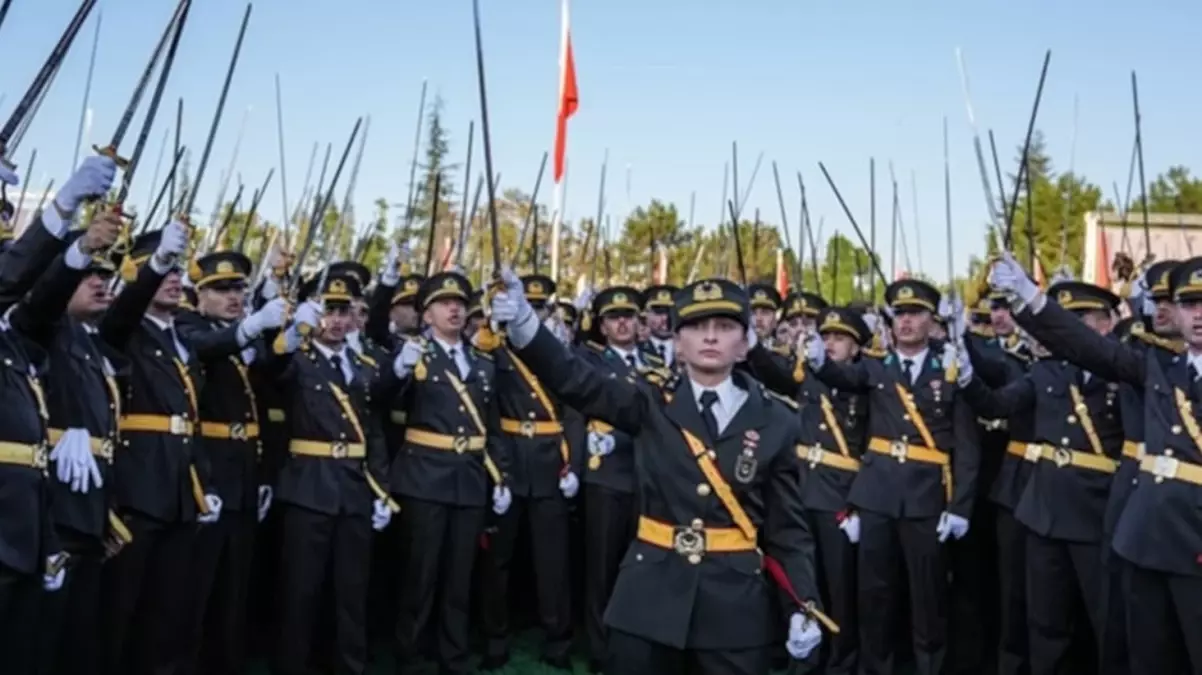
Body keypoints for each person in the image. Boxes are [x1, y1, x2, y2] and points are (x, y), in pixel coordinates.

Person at [491, 270, 825, 675]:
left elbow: (788, 529)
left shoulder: (777, 420)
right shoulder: (649, 401)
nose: (710, 337)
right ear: (678, 343)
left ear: (744, 345)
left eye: (724, 326)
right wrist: (526, 324)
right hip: (649, 597)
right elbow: (577, 380)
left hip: (735, 606)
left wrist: (803, 603)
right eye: (696, 327)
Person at [986, 250, 1200, 674]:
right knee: (1148, 658)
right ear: (1173, 310)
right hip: (1148, 540)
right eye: (1191, 304)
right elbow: (1085, 345)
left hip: (1195, 540)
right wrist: (1030, 296)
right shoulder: (1160, 367)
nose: (1199, 315)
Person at [802, 278, 980, 675]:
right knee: (874, 597)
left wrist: (960, 505)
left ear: (931, 319)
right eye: (899, 314)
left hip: (925, 499)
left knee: (928, 599)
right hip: (877, 497)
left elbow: (967, 446)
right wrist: (820, 361)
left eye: (915, 313)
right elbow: (843, 379)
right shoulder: (875, 366)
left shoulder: (949, 367)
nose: (906, 321)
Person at [960, 279, 1127, 674]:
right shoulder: (1048, 371)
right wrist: (967, 379)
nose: (1068, 328)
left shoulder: (1125, 370)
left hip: (1097, 511)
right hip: (1044, 511)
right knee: (1045, 622)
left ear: (1106, 323)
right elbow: (1001, 403)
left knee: (1107, 622)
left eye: (1080, 318)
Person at [99, 219, 224, 675]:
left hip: (177, 488)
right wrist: (156, 264)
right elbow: (122, 312)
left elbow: (189, 421)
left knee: (168, 609)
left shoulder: (181, 341)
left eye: (177, 271)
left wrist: (203, 483)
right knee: (121, 608)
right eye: (164, 271)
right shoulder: (124, 328)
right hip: (137, 486)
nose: (176, 279)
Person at [263, 267, 394, 675]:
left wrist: (382, 489)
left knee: (351, 592)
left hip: (353, 488)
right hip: (309, 486)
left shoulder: (362, 364)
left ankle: (348, 666)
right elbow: (271, 368)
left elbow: (372, 432)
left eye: (343, 311)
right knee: (301, 591)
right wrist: (289, 332)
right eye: (327, 310)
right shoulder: (296, 360)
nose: (336, 320)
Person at [388, 270, 512, 675]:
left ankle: (452, 656)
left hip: (469, 479)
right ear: (426, 314)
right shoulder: (413, 354)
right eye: (444, 303)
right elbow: (379, 400)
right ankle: (411, 655)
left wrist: (502, 477)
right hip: (424, 477)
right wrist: (399, 371)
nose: (455, 309)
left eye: (459, 303)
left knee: (460, 578)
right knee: (419, 576)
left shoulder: (482, 362)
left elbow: (492, 426)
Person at [746, 305, 872, 675]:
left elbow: (874, 447)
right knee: (799, 582)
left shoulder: (866, 384)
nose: (830, 344)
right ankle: (801, 659)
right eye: (827, 336)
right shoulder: (807, 375)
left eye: (840, 339)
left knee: (839, 588)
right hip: (800, 489)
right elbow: (772, 373)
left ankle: (841, 660)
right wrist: (753, 345)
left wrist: (859, 504)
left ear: (856, 348)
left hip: (839, 497)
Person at [176, 251, 286, 675]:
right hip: (208, 473)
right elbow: (206, 348)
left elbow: (268, 396)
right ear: (199, 296)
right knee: (195, 586)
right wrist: (252, 326)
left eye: (239, 288)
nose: (234, 296)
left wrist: (283, 340)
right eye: (221, 289)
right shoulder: (190, 326)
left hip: (244, 472)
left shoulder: (246, 337)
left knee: (234, 587)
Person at [480, 273, 577, 670]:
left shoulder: (558, 354)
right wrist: (497, 471)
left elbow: (574, 408)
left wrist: (571, 462)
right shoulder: (494, 351)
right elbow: (485, 412)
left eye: (539, 307)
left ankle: (558, 641)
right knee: (497, 560)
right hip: (509, 460)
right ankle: (495, 639)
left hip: (551, 462)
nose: (533, 313)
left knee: (553, 561)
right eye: (527, 305)